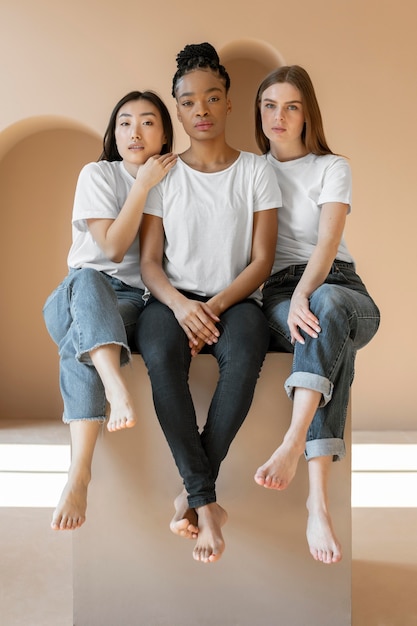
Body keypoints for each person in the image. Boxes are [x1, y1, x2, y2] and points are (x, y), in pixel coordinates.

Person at [136, 42, 281, 563]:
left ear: (228, 104)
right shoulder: (163, 173)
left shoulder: (256, 171)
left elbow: (262, 261)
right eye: (189, 101)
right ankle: (206, 502)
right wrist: (180, 306)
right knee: (159, 358)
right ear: (178, 108)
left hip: (236, 300)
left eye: (211, 98)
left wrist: (213, 307)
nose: (201, 109)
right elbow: (150, 262)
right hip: (171, 301)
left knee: (246, 354)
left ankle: (195, 495)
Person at [252, 65, 380, 563]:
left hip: (342, 287)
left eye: (290, 106)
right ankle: (317, 502)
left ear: (308, 114)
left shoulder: (333, 167)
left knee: (327, 306)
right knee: (329, 337)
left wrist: (307, 293)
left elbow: (328, 242)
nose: (277, 117)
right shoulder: (251, 169)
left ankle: (292, 441)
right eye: (268, 106)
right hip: (280, 295)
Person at [43, 90, 176, 530]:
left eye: (147, 122)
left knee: (79, 343)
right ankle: (115, 388)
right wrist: (141, 184)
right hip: (78, 291)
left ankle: (78, 473)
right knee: (88, 278)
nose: (134, 132)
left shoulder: (175, 180)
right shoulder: (97, 174)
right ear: (113, 131)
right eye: (124, 122)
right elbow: (113, 248)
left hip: (132, 305)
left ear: (164, 132)